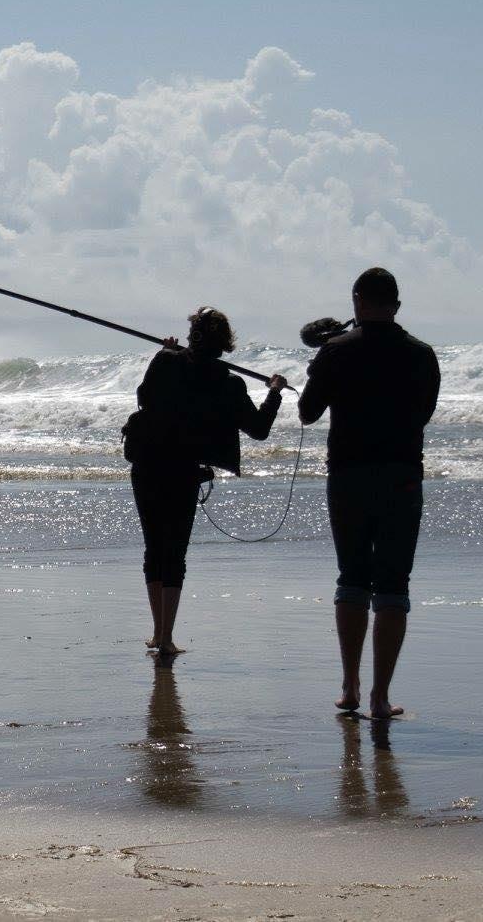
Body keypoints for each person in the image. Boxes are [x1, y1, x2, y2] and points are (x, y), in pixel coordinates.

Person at [298, 267, 440, 720]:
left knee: (352, 578)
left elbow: (307, 412)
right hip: (402, 476)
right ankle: (380, 697)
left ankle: (350, 686)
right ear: (396, 306)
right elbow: (424, 415)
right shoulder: (422, 354)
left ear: (357, 300)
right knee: (394, 586)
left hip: (348, 476)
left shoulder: (335, 351)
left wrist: (315, 370)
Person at [128, 307, 287, 657]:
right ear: (224, 344)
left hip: (148, 464)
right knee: (175, 553)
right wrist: (274, 392)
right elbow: (258, 429)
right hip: (183, 470)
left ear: (192, 335)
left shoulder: (167, 363)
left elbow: (144, 398)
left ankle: (158, 633)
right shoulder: (228, 382)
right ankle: (166, 636)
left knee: (154, 548)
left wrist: (165, 353)